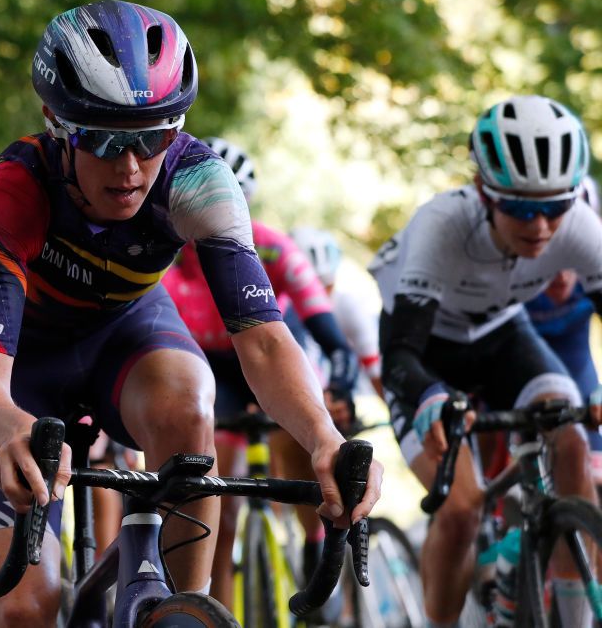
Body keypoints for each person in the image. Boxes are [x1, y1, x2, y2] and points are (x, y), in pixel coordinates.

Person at [0, 0, 383, 627]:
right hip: (21, 368)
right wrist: (13, 427)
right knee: (25, 610)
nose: (129, 167)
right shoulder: (13, 191)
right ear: (55, 120)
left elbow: (263, 339)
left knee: (187, 406)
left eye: (153, 138)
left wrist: (323, 436)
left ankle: (177, 611)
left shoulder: (199, 181)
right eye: (103, 139)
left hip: (127, 334)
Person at [369, 95, 602, 627]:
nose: (542, 225)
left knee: (569, 439)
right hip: (425, 354)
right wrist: (427, 394)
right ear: (482, 192)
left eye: (556, 206)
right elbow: (402, 352)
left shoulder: (581, 226)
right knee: (460, 508)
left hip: (502, 338)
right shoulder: (443, 223)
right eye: (520, 208)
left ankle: (574, 617)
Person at [160, 137, 361, 612]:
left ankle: (315, 538)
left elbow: (327, 333)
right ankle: (218, 611)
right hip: (211, 369)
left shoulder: (272, 247)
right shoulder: (166, 258)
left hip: (266, 352)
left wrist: (341, 384)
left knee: (304, 429)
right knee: (219, 509)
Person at [524, 176, 602, 486]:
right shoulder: (519, 262)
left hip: (574, 362)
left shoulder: (594, 257)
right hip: (519, 360)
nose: (561, 276)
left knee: (592, 470)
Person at [289, 225, 384, 399]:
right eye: (311, 289)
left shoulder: (349, 304)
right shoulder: (283, 308)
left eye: (327, 286)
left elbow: (374, 369)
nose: (319, 297)